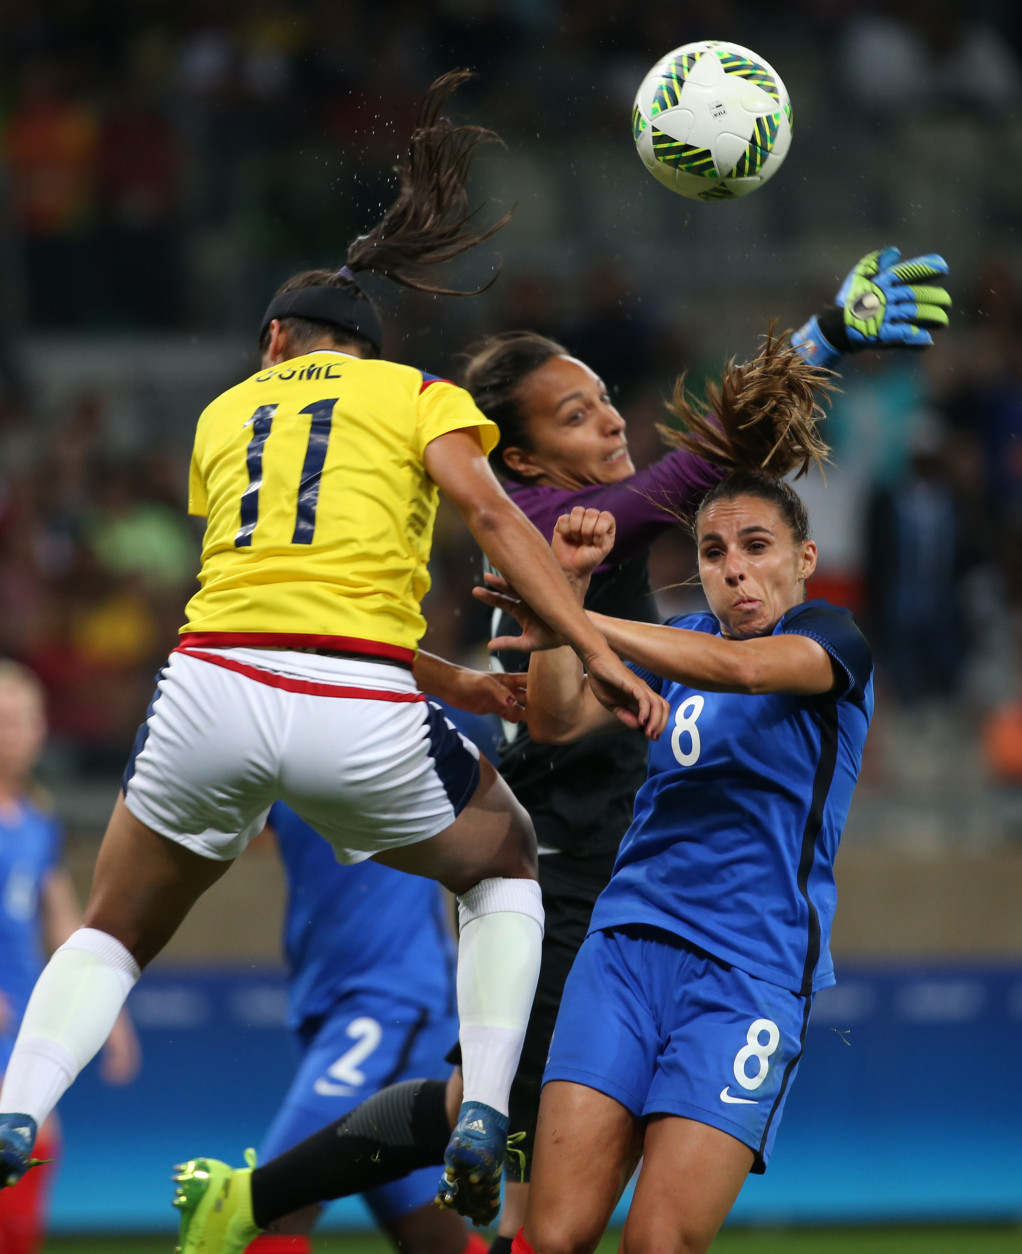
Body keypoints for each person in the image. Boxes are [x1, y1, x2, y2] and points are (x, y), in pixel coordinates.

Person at [167, 251, 950, 1252]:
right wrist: (819, 339)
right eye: (577, 416)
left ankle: (256, 1199)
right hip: (577, 868)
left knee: (488, 1118)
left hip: (612, 869)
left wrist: (523, 642)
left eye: (604, 399)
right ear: (527, 461)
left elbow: (688, 572)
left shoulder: (579, 546)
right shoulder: (559, 529)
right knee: (501, 1136)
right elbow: (702, 470)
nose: (614, 424)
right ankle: (255, 1202)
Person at [0, 68, 663, 1225]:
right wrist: (591, 646)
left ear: (274, 340)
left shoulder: (220, 414)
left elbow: (267, 568)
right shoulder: (416, 395)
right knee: (504, 863)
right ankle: (480, 1108)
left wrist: (438, 687)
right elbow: (490, 515)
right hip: (355, 698)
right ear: (365, 348)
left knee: (113, 926)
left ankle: (16, 1109)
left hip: (209, 685)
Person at [474, 333, 874, 1254]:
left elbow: (743, 671)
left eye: (758, 547)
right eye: (713, 550)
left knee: (659, 1241)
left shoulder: (832, 642)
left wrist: (573, 617)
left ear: (804, 558)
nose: (735, 568)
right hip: (622, 949)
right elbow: (559, 720)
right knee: (554, 1232)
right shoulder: (683, 638)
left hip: (749, 970)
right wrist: (565, 598)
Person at [0, 660, 140, 1254]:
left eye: (28, 720)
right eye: (8, 721)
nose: (21, 733)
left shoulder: (37, 819)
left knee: (32, 1143)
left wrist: (109, 1011)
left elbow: (63, 923)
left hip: (24, 1014)